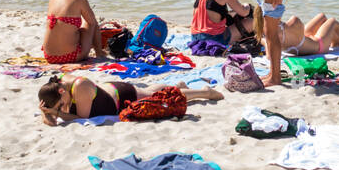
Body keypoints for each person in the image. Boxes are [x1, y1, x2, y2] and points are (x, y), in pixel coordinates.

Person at [37, 74, 222, 126]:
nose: (63, 107)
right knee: (150, 91)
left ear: (62, 91)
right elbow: (52, 117)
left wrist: (56, 113)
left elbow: (83, 118)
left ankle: (204, 92)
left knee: (159, 98)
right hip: (108, 93)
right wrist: (48, 113)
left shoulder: (79, 87)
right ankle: (179, 85)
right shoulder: (55, 90)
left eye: (62, 104)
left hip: (119, 95)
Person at [42, 0, 104, 64]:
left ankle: (99, 53)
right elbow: (92, 22)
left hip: (49, 56)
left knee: (76, 28)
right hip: (69, 56)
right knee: (91, 23)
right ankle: (99, 53)